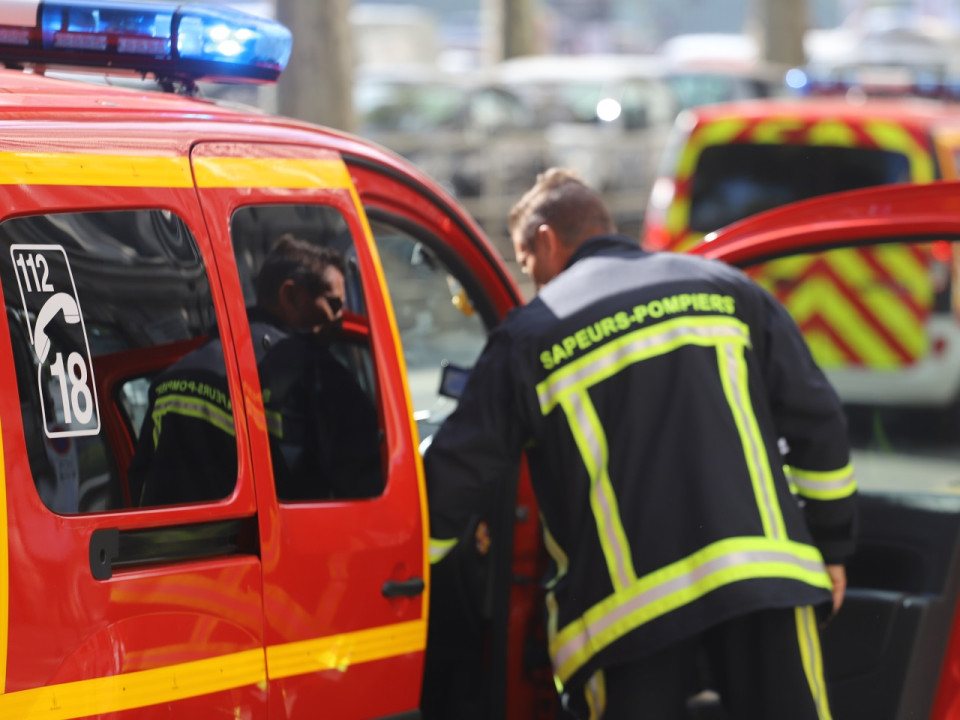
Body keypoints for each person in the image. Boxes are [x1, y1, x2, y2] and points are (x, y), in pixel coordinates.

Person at [423, 168, 857, 719]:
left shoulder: (529, 338)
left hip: (627, 613)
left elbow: (459, 472)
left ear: (545, 241)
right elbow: (818, 421)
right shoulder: (727, 288)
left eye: (526, 264)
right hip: (763, 577)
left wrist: (411, 568)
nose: (532, 282)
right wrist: (832, 547)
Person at [129, 234, 381, 506]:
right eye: (333, 304)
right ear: (290, 295)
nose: (338, 321)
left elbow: (141, 488)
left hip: (182, 535)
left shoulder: (169, 381)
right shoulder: (316, 375)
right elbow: (369, 487)